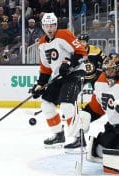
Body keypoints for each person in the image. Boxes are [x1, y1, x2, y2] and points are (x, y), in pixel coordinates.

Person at [31, 13, 88, 147]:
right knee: (46, 104)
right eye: (47, 25)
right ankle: (58, 134)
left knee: (67, 105)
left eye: (52, 25)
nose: (50, 28)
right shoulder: (42, 43)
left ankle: (79, 137)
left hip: (75, 73)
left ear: (56, 25)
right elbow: (45, 68)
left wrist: (69, 62)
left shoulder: (64, 34)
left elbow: (81, 52)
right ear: (43, 26)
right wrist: (40, 85)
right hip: (59, 76)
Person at [63, 33, 106, 151]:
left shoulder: (95, 50)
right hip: (81, 77)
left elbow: (105, 60)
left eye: (84, 41)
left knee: (101, 95)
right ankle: (74, 116)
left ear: (87, 42)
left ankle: (104, 107)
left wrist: (103, 68)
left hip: (95, 76)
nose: (82, 43)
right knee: (72, 96)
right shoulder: (75, 52)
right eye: (80, 41)